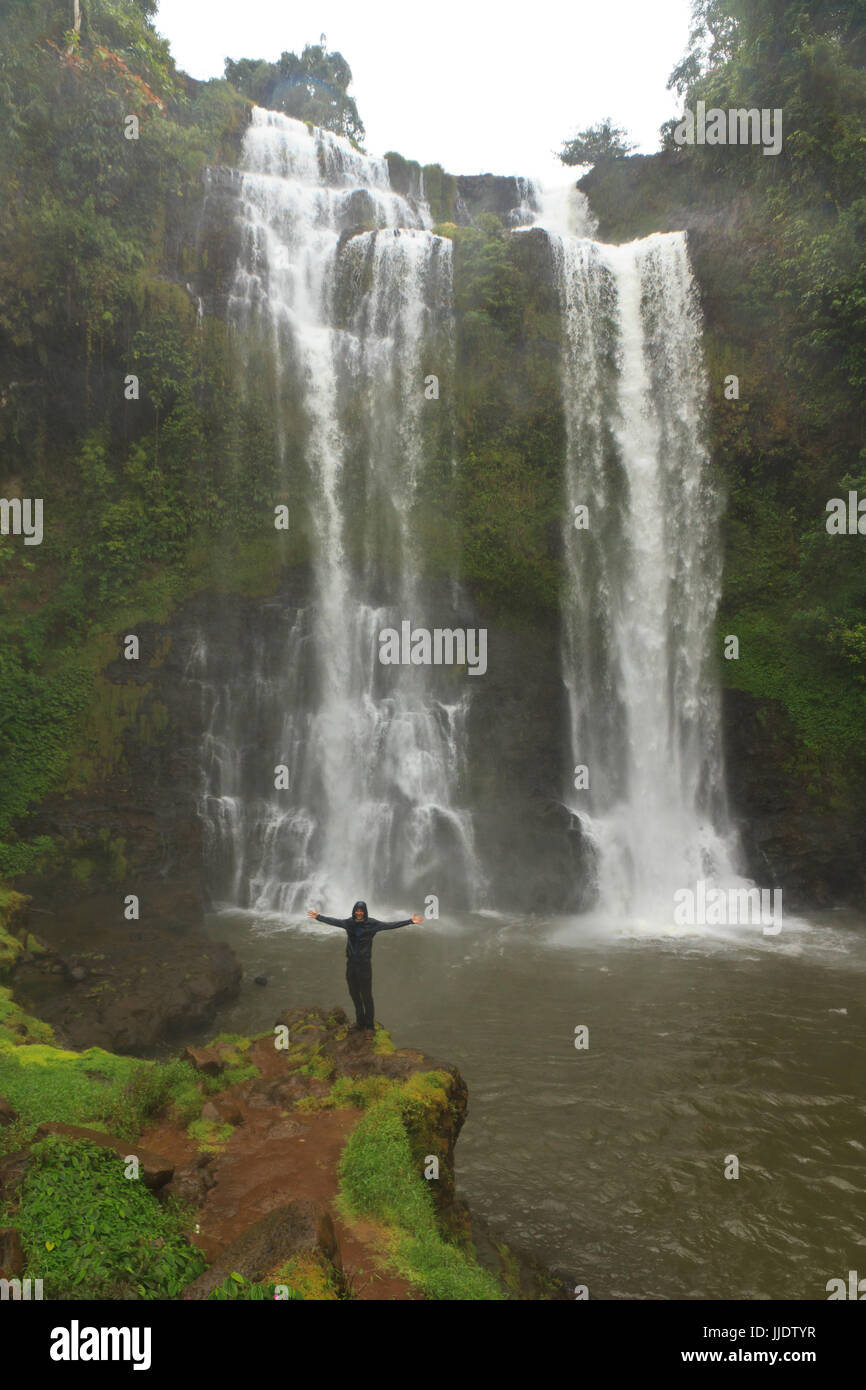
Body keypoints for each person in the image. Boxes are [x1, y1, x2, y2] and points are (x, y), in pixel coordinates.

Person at [307, 900, 424, 1031]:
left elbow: (390, 925)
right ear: (354, 911)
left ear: (365, 912)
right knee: (354, 994)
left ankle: (369, 1026)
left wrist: (410, 921)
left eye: (361, 911)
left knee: (366, 996)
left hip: (364, 966)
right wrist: (318, 917)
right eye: (357, 910)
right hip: (351, 964)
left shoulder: (372, 924)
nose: (359, 913)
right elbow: (334, 921)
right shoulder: (349, 923)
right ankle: (360, 1022)